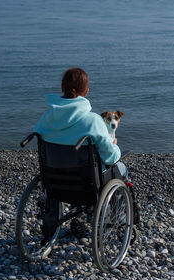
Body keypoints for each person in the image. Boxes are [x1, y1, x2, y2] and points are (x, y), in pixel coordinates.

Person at [34, 67, 129, 239]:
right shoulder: (93, 120)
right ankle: (116, 222)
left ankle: (72, 218)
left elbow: (39, 134)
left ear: (62, 87)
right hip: (87, 183)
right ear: (86, 91)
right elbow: (111, 157)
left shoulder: (47, 118)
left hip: (53, 180)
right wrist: (114, 145)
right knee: (121, 168)